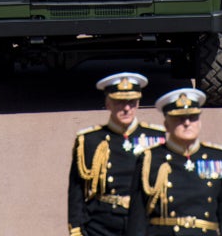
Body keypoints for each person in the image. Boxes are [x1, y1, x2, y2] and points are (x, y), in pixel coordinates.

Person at [125, 88, 222, 236]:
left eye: (193, 117)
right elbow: (137, 217)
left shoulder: (216, 158)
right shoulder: (149, 159)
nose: (187, 123)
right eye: (180, 118)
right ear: (166, 124)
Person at [68, 73, 165, 236]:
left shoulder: (156, 138)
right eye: (120, 102)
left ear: (138, 103)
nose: (126, 108)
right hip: (103, 224)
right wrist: (76, 228)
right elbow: (77, 189)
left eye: (131, 102)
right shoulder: (90, 140)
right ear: (108, 103)